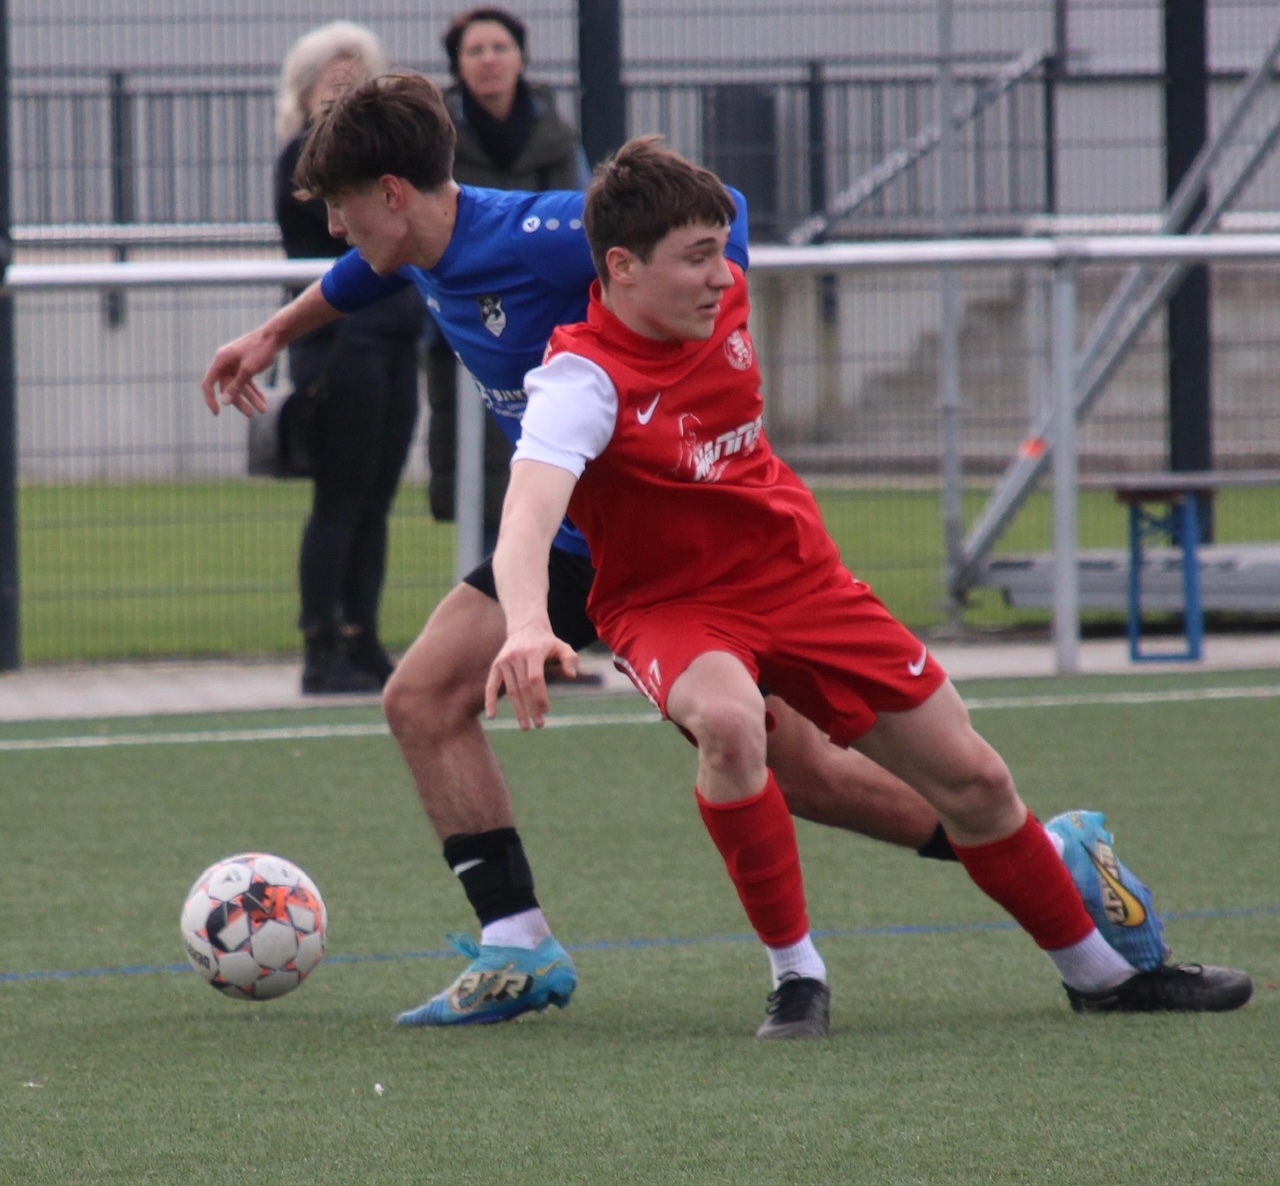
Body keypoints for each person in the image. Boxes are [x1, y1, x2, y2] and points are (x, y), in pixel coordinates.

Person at [199, 74, 1250, 1031]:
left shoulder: (546, 237)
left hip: (644, 540)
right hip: (585, 538)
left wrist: (701, 327)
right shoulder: (414, 252)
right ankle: (524, 942)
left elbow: (714, 217)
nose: (332, 229)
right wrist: (277, 333)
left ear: (393, 193)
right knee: (443, 701)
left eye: (340, 207)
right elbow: (367, 279)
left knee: (802, 771)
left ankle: (1041, 859)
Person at [483, 136, 1255, 1036]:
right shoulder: (579, 381)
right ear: (621, 267)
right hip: (670, 607)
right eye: (695, 258)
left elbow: (717, 213)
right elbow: (526, 518)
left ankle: (1099, 978)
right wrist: (527, 623)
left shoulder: (722, 295)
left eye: (720, 252)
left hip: (797, 578)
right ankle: (796, 976)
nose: (721, 276)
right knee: (731, 725)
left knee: (977, 782)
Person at [274, 24, 427, 693]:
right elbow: (345, 233)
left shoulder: (385, 165)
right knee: (340, 496)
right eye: (331, 85)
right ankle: (322, 644)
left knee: (377, 497)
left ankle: (363, 637)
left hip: (395, 336)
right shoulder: (302, 161)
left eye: (355, 82)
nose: (343, 95)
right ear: (305, 92)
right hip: (339, 347)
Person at [425, 6, 590, 551]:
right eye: (475, 50)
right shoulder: (433, 141)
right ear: (457, 65)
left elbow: (587, 220)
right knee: (479, 476)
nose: (489, 60)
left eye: (500, 48)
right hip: (464, 323)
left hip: (549, 326)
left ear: (522, 58)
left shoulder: (558, 137)